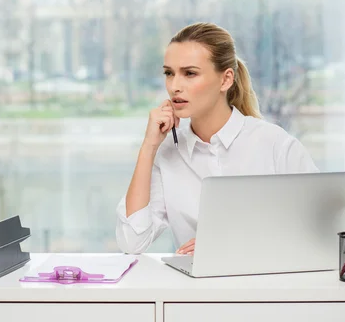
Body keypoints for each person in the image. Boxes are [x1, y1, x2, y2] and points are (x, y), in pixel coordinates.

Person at [115, 22, 319, 255]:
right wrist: (148, 147)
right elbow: (132, 242)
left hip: (266, 289)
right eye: (169, 73)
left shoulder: (275, 145)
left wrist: (229, 247)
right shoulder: (168, 152)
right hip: (198, 290)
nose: (174, 86)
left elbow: (321, 232)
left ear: (226, 79)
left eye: (189, 73)